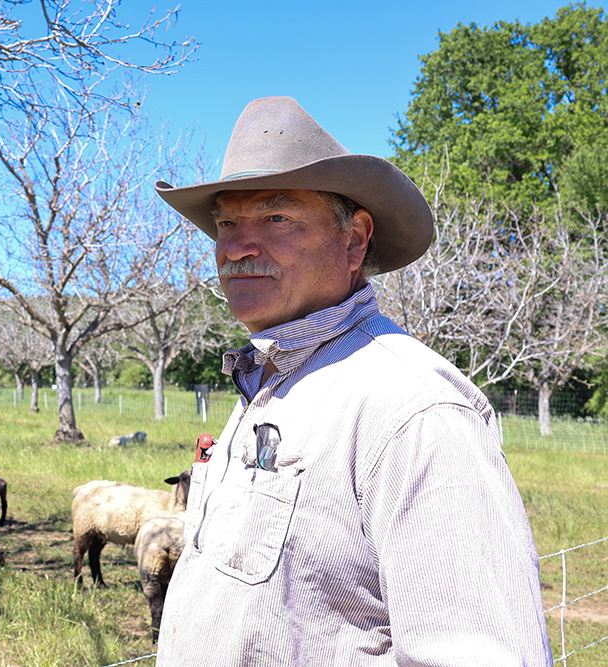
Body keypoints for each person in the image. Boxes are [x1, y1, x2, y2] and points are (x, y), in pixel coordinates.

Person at [152, 97, 552, 665]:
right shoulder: (272, 380)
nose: (236, 247)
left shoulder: (412, 407)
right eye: (226, 223)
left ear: (355, 240)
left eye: (275, 218)